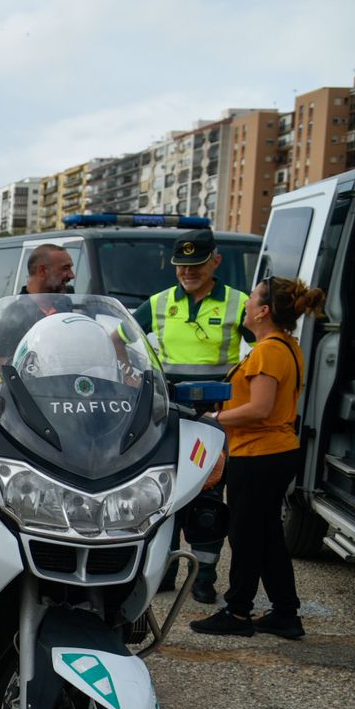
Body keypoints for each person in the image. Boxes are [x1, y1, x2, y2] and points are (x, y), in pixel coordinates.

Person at [191, 277, 325, 640]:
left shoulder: (269, 351)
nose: (247, 303)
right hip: (274, 453)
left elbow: (261, 409)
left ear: (264, 311)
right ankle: (285, 612)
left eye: (252, 298)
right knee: (267, 536)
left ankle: (237, 613)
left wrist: (214, 419)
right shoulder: (286, 346)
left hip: (260, 454)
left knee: (246, 535)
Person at [130, 229, 252, 604]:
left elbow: (263, 351)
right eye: (181, 266)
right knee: (164, 492)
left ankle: (203, 575)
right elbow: (121, 338)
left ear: (215, 261)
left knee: (208, 497)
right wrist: (133, 376)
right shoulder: (159, 303)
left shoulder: (239, 303)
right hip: (168, 413)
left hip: (215, 417)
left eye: (196, 265)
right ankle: (163, 571)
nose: (187, 273)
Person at [0, 243, 75, 372]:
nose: (71, 275)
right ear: (42, 271)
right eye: (65, 268)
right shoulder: (13, 314)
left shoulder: (65, 305)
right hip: (30, 390)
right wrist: (31, 363)